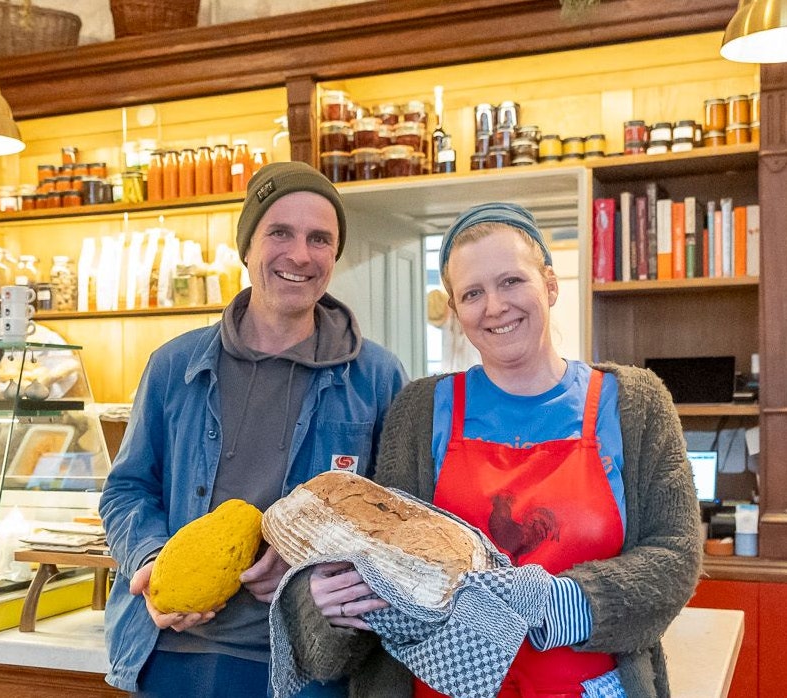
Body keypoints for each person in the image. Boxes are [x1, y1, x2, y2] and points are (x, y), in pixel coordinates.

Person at [281, 202, 702, 697]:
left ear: (550, 285)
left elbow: (674, 555)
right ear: (456, 311)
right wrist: (326, 602)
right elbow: (383, 558)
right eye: (473, 293)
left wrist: (549, 603)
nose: (495, 307)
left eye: (511, 281)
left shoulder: (634, 403)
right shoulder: (421, 409)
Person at [99, 161, 407, 697]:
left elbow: (401, 521)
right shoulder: (175, 366)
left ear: (334, 254)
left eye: (319, 239)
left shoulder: (375, 377)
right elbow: (127, 489)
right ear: (247, 247)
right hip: (177, 653)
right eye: (279, 233)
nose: (300, 255)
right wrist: (152, 560)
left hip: (314, 661)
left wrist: (311, 559)